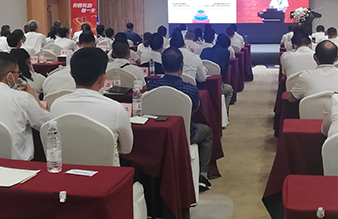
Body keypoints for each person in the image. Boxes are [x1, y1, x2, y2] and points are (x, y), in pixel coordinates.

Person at [146, 48, 215, 189]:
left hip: (156, 135)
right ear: (182, 66)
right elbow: (195, 109)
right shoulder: (191, 89)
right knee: (207, 131)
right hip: (184, 134)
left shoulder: (150, 86)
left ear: (163, 66)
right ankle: (202, 175)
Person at [48, 48, 133, 156]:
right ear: (102, 79)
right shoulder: (116, 110)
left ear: (71, 75)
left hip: (66, 165)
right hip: (105, 166)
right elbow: (126, 149)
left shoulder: (56, 105)